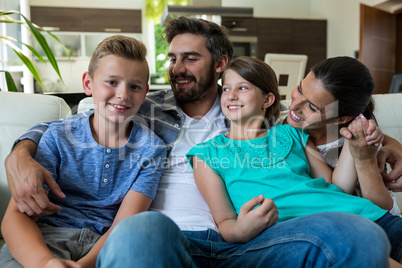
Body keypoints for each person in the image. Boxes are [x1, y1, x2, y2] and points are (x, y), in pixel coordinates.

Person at [3, 17, 394, 267]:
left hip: (248, 244)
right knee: (142, 231)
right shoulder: (143, 105)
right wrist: (21, 153)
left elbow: (321, 121)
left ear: (220, 63)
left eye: (189, 58)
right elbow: (81, 118)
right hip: (164, 240)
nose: (176, 68)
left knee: (358, 235)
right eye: (172, 59)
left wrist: (386, 138)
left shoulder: (252, 113)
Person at [186, 56, 402, 263]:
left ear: (268, 99)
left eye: (242, 88)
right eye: (225, 88)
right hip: (309, 231)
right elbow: (225, 221)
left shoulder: (292, 133)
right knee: (357, 249)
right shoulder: (207, 154)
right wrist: (240, 231)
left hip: (365, 214)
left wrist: (354, 142)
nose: (231, 95)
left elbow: (334, 187)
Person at [0, 35, 167, 267]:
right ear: (88, 84)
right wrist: (46, 263)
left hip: (109, 246)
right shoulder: (58, 136)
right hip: (45, 240)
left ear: (145, 92)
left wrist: (84, 266)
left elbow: (125, 225)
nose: (123, 94)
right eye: (111, 82)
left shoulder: (152, 150)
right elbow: (16, 218)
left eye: (135, 86)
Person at [282, 56, 401, 215]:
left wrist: (365, 158)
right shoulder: (275, 123)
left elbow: (390, 216)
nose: (294, 105)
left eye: (312, 106)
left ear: (342, 119)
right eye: (300, 89)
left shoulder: (361, 139)